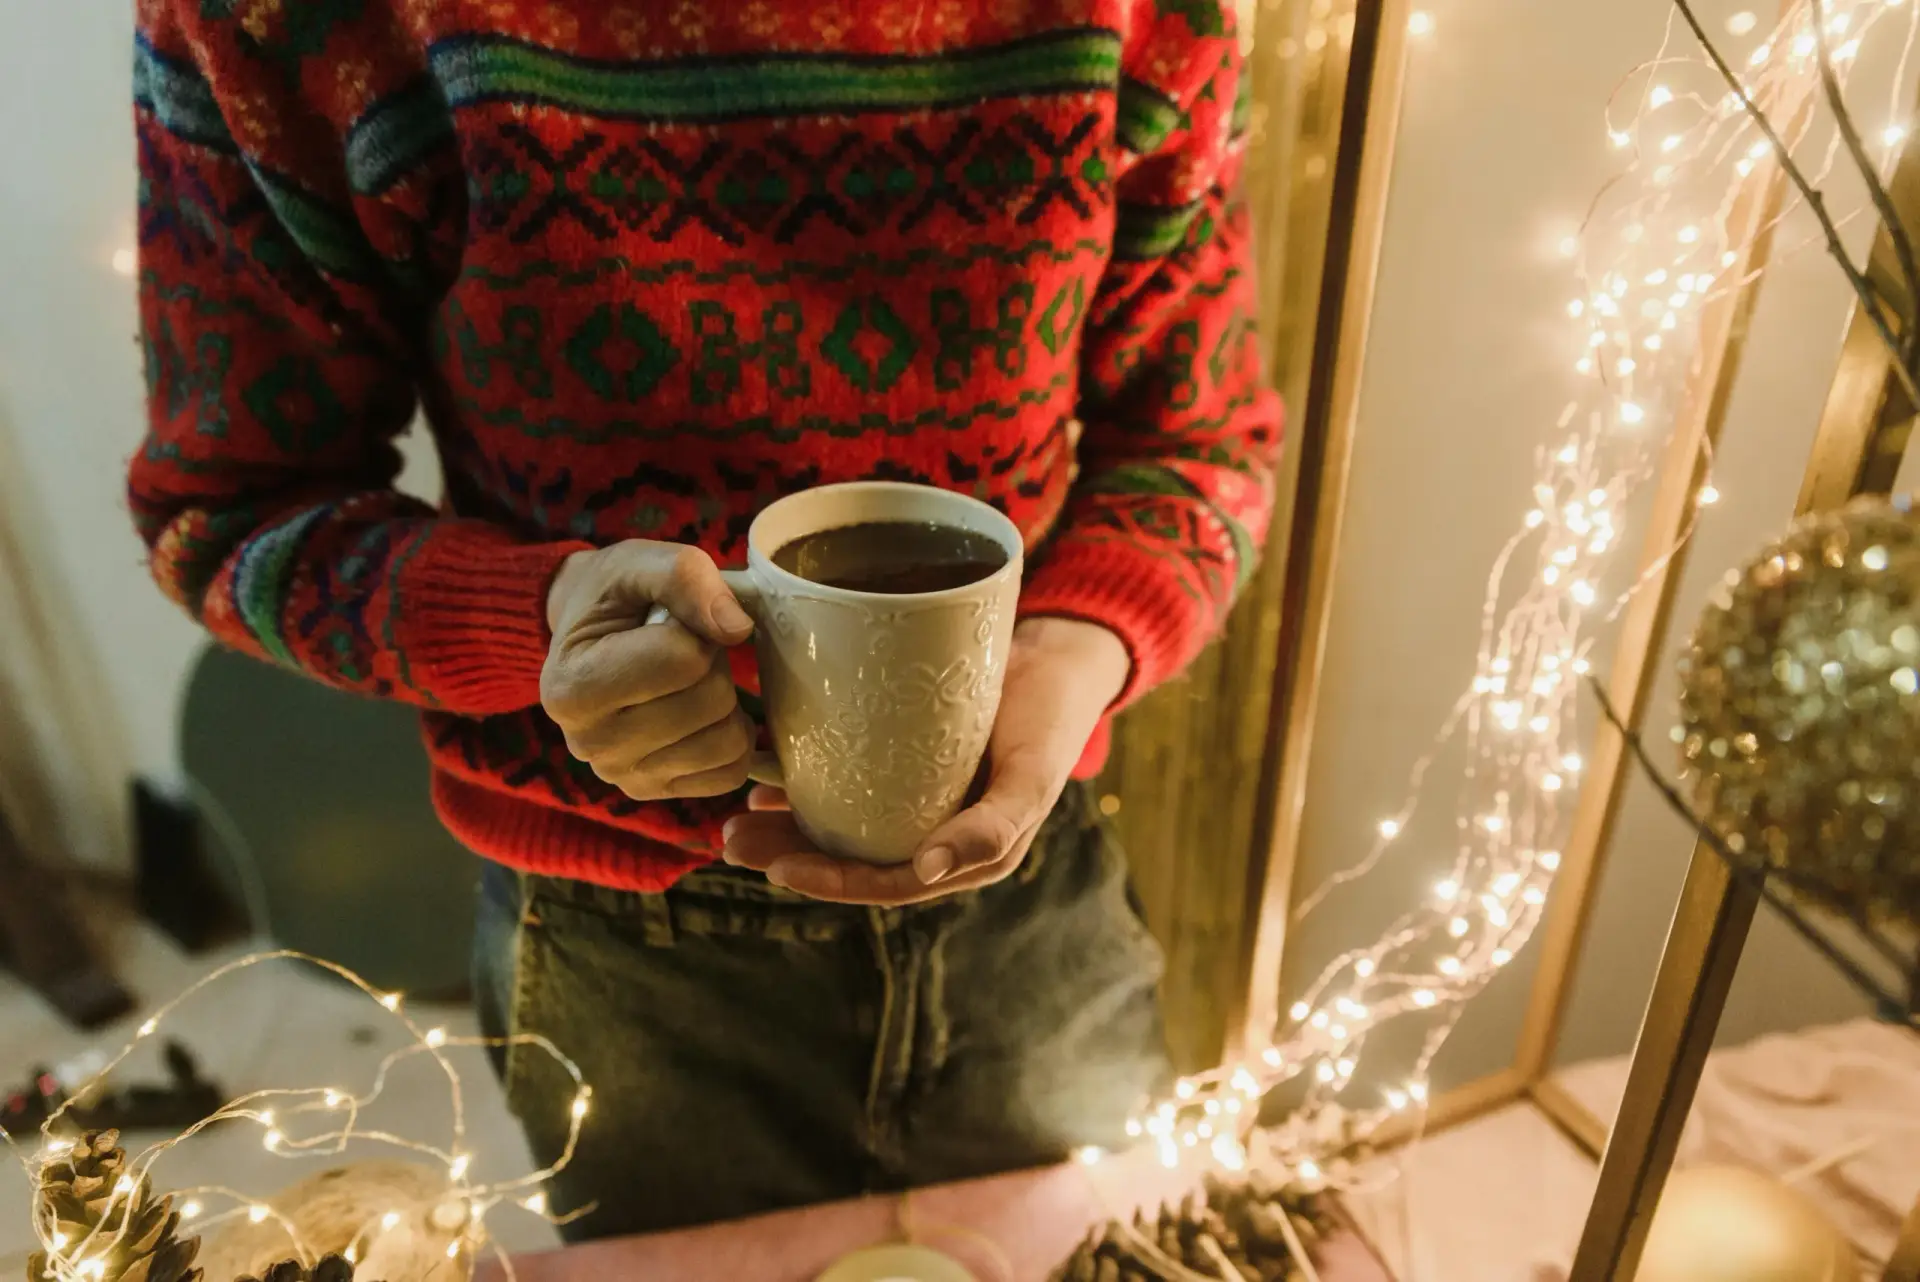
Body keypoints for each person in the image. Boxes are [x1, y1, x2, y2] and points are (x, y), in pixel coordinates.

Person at [129, 0, 1281, 1238]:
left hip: (1034, 909)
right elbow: (229, 513)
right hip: (621, 965)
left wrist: (1075, 649)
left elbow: (1200, 444)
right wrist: (541, 617)